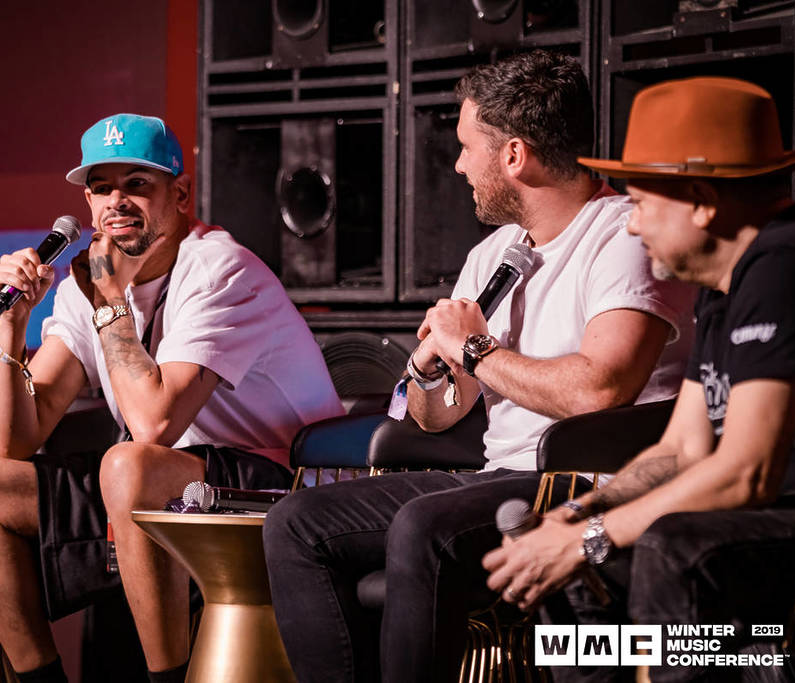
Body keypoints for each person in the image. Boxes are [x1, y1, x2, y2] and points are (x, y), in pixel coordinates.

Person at [263, 50, 696, 683]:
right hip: (498, 476)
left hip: (584, 479)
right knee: (296, 522)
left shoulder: (623, 236)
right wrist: (428, 370)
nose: (459, 164)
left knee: (421, 526)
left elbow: (600, 390)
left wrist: (474, 349)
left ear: (514, 155)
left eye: (468, 147)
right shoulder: (493, 254)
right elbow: (436, 418)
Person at [0, 113, 343, 683]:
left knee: (131, 463)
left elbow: (156, 426)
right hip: (168, 485)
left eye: (137, 184)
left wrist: (111, 306)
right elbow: (14, 440)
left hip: (284, 489)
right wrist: (13, 325)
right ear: (88, 202)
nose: (117, 202)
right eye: (102, 187)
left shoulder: (220, 269)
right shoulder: (91, 285)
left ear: (179, 194)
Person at [482, 77, 795, 682]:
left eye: (643, 204)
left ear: (701, 201)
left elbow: (747, 472)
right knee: (569, 569)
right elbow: (682, 449)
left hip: (778, 523)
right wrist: (580, 514)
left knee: (667, 545)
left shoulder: (783, 264)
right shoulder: (725, 282)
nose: (632, 225)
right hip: (760, 518)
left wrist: (593, 537)